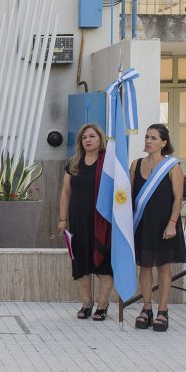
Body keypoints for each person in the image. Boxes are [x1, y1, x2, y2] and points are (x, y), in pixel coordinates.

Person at [129, 124, 186, 332]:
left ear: (163, 142)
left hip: (164, 224)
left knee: (163, 266)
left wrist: (172, 223)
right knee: (144, 266)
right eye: (146, 137)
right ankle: (146, 308)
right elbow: (128, 194)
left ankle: (162, 309)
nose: (148, 141)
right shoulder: (136, 165)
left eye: (153, 138)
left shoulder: (172, 166)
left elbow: (178, 197)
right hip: (143, 223)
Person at [57, 123, 114, 320]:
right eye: (84, 137)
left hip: (102, 222)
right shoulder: (73, 163)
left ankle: (103, 305)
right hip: (78, 221)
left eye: (92, 136)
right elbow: (65, 192)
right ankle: (87, 303)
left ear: (101, 139)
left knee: (104, 264)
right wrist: (63, 218)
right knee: (80, 264)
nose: (88, 140)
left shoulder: (109, 163)